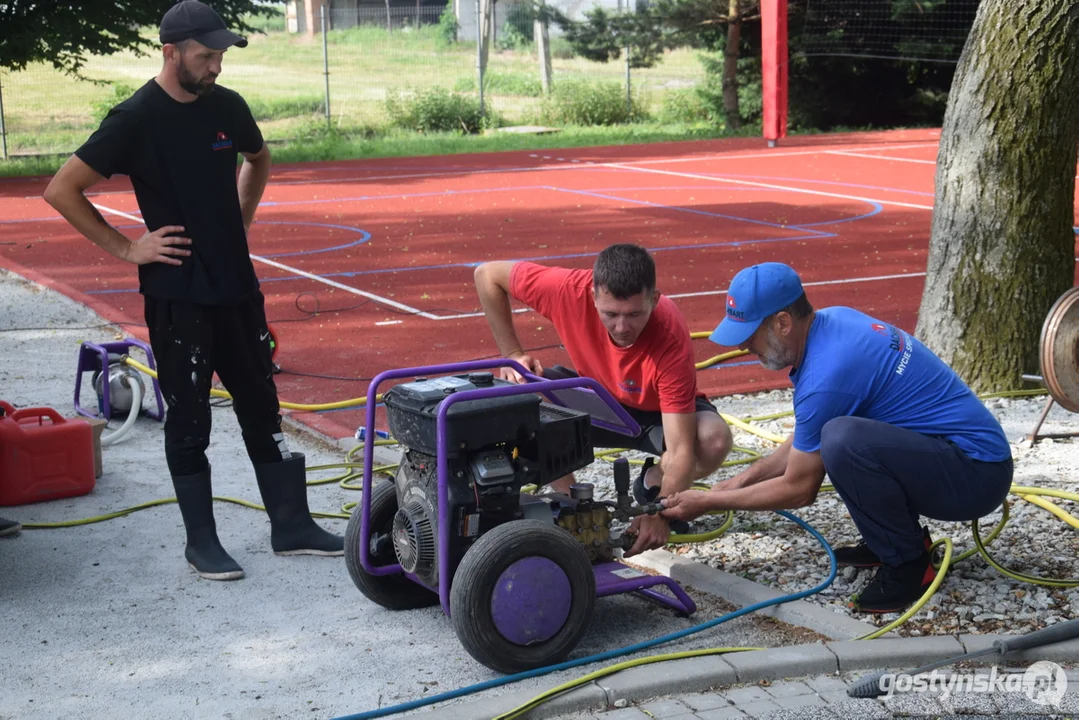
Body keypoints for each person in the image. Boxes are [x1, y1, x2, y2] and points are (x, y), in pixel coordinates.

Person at [43, 0, 342, 581]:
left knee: (262, 405)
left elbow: (258, 158)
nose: (217, 68)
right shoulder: (135, 118)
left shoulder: (227, 107)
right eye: (206, 57)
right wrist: (130, 248)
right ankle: (201, 543)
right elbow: (62, 189)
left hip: (237, 287)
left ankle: (291, 525)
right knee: (189, 419)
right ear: (171, 52)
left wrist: (239, 219)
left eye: (221, 56)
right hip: (179, 296)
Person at [660, 262, 1014, 613]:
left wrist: (711, 502)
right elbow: (808, 436)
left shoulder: (826, 376)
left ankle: (909, 565)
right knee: (838, 436)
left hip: (975, 477)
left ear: (782, 322)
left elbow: (800, 488)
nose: (743, 348)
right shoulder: (834, 322)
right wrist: (741, 480)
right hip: (965, 459)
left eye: (749, 335)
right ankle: (889, 541)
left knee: (843, 440)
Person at [473, 244, 733, 556]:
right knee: (517, 391)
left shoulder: (669, 331)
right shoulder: (566, 290)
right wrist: (513, 354)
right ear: (593, 295)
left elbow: (680, 449)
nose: (622, 328)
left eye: (635, 314)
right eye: (610, 314)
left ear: (656, 299)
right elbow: (487, 275)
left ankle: (652, 482)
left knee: (713, 440)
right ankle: (573, 510)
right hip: (597, 397)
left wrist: (659, 512)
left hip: (654, 413)